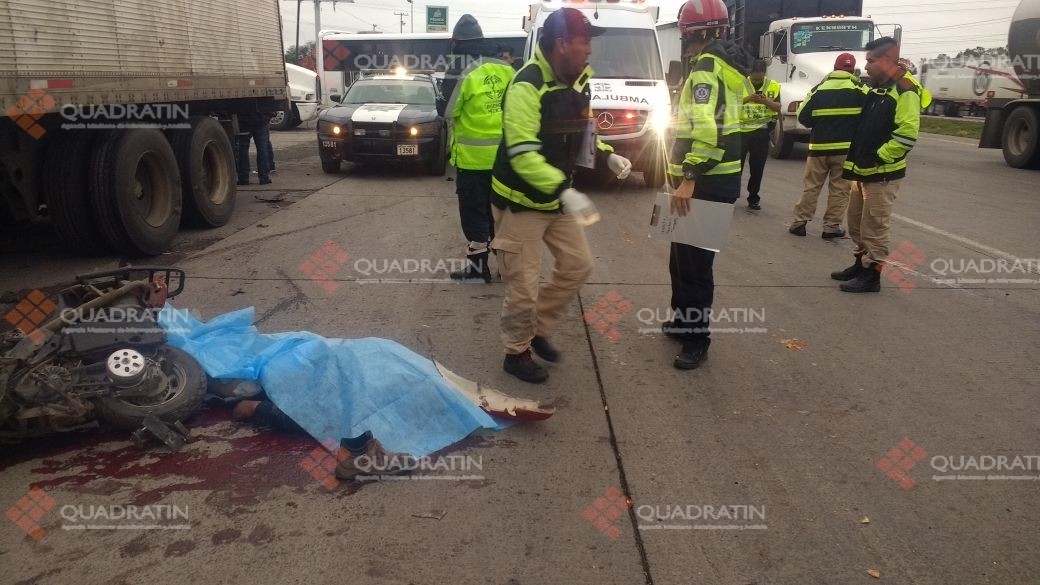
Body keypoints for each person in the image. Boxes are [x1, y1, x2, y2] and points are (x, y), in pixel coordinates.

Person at [490, 7, 632, 383]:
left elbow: (583, 132)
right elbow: (522, 154)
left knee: (578, 265)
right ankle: (515, 352)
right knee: (523, 285)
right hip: (520, 201)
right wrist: (562, 190)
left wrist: (608, 156)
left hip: (556, 197)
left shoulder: (580, 80)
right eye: (584, 42)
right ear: (562, 44)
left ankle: (538, 328)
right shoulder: (527, 84)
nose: (589, 50)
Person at [665, 0, 751, 369]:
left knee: (694, 265)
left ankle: (696, 339)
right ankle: (683, 322)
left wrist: (688, 177)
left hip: (703, 182)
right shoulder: (733, 70)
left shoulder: (705, 70)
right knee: (681, 258)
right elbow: (747, 120)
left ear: (689, 32)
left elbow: (706, 130)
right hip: (719, 179)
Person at [831, 37, 922, 293]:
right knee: (857, 222)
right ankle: (860, 264)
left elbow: (907, 134)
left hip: (882, 174)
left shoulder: (904, 90)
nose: (866, 66)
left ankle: (872, 276)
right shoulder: (876, 89)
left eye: (871, 61)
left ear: (887, 61)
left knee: (875, 225)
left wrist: (879, 156)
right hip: (863, 172)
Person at [444, 15, 516, 283]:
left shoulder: (459, 69)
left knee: (474, 215)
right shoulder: (507, 69)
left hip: (474, 161)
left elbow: (447, 110)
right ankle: (508, 267)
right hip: (505, 161)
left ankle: (477, 270)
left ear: (456, 42)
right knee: (499, 213)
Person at [788, 53, 866, 238]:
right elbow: (868, 116)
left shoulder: (819, 89)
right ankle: (831, 227)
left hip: (818, 149)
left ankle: (800, 222)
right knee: (840, 189)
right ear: (853, 70)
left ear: (834, 68)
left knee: (812, 186)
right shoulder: (861, 90)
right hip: (845, 150)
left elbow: (803, 116)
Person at [738, 59, 780, 210]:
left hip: (761, 133)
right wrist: (749, 98)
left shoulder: (773, 86)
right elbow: (730, 104)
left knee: (757, 168)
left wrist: (766, 101)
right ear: (750, 73)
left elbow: (777, 107)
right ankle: (732, 195)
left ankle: (753, 198)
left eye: (760, 77)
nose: (757, 79)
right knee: (737, 167)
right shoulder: (740, 83)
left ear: (764, 73)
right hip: (740, 132)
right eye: (755, 77)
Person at [236, 110, 272, 185]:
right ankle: (264, 178)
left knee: (243, 149)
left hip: (243, 120)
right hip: (261, 118)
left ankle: (243, 178)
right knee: (262, 148)